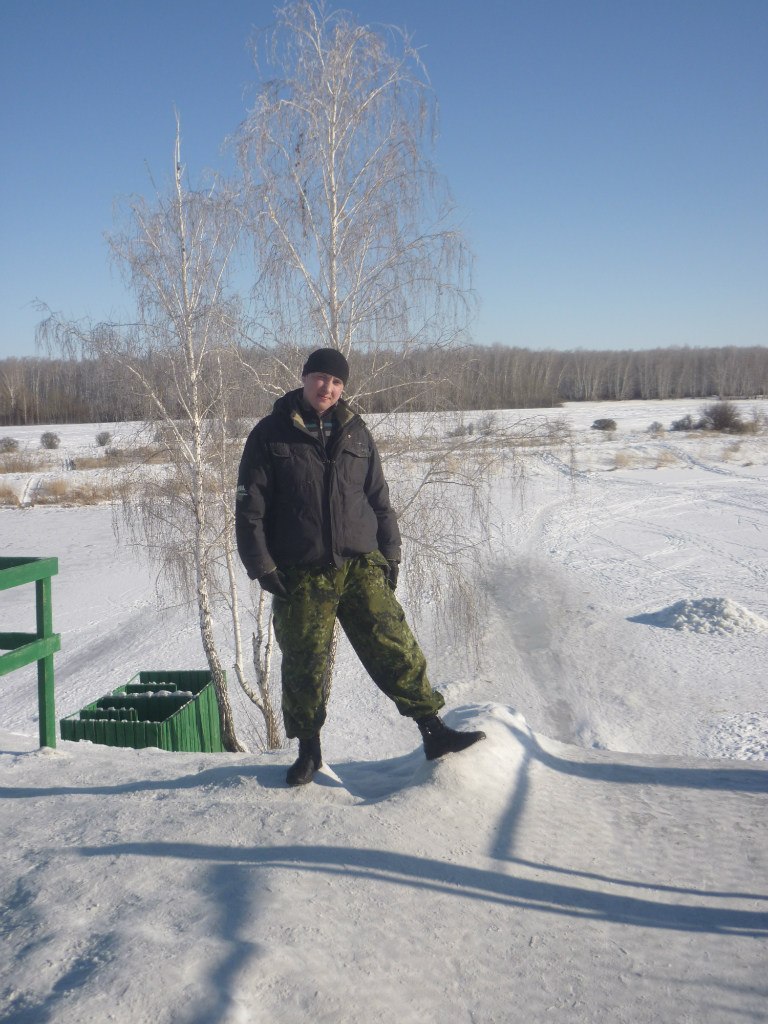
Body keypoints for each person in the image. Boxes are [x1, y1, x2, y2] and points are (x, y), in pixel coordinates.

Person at [235, 348, 485, 786]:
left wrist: (391, 554)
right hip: (302, 569)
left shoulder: (356, 432)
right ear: (304, 377)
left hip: (360, 562)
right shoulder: (270, 434)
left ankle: (433, 730)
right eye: (320, 378)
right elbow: (249, 508)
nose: (326, 388)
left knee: (394, 643)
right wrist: (261, 565)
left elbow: (379, 498)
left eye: (336, 382)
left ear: (343, 388)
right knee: (304, 662)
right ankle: (309, 753)